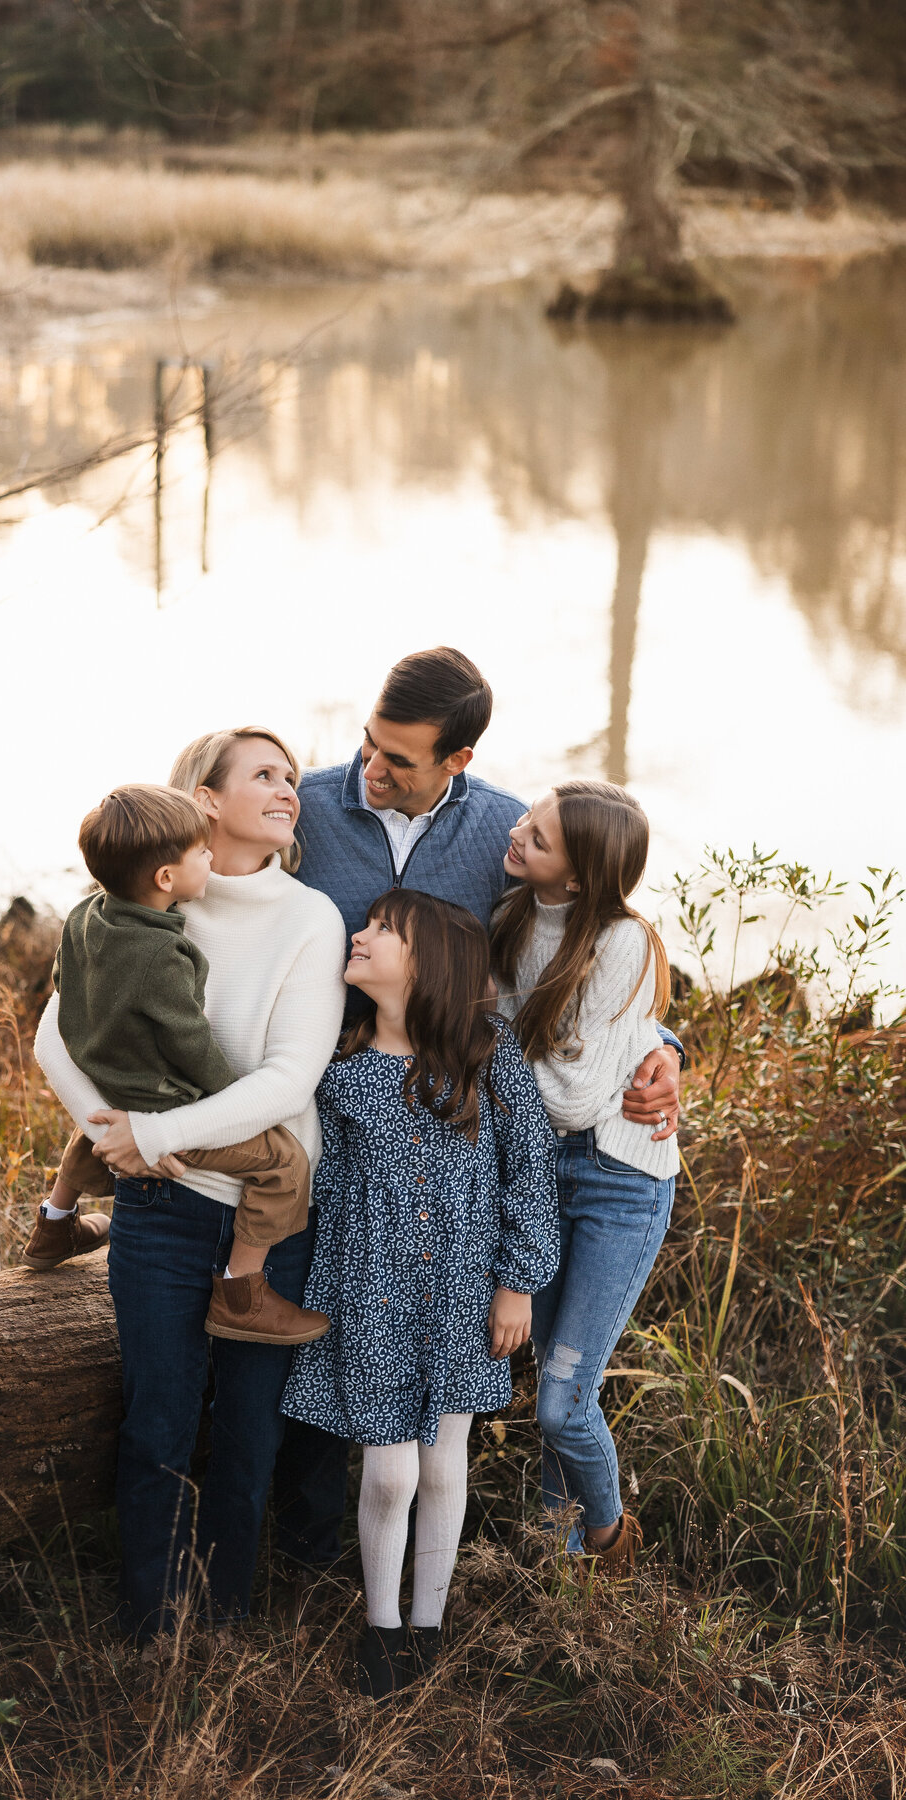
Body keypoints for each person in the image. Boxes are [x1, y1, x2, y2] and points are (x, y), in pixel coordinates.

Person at [276, 646, 683, 1569]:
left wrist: (665, 1049)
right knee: (320, 1328)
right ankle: (302, 1552)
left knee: (498, 1376)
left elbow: (597, 970)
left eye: (400, 760)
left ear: (457, 760)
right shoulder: (311, 808)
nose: (370, 771)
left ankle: (551, 1552)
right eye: (368, 745)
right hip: (333, 1118)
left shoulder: (510, 837)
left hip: (469, 1155)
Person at [33, 728, 346, 1642]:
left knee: (250, 1436)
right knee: (158, 1423)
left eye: (291, 776)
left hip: (267, 1211)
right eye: (263, 775)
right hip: (161, 1210)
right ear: (205, 800)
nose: (289, 790)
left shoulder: (310, 919)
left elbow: (289, 1080)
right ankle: (150, 1621)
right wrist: (117, 1138)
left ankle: (225, 1615)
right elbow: (55, 1037)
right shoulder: (140, 898)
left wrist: (158, 1131)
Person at [280, 889, 558, 1699]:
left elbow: (531, 1171)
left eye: (379, 930)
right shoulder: (337, 1071)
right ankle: (381, 1630)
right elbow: (317, 1182)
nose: (357, 935)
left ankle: (430, 1629)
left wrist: (518, 1285)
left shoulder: (485, 1054)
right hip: (369, 1294)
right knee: (391, 1474)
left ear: (427, 960)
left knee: (443, 1466)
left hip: (466, 1294)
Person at [24, 781, 329, 1348]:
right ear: (167, 879)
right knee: (285, 1163)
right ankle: (243, 1291)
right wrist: (230, 1101)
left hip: (115, 1087)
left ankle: (53, 1225)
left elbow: (62, 990)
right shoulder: (165, 952)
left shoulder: (83, 915)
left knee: (96, 1130)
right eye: (201, 853)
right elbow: (189, 1038)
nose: (210, 857)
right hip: (172, 1104)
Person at [491, 780, 678, 1570]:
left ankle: (607, 1537)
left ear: (577, 879)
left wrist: (494, 1053)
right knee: (549, 1387)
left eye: (539, 836)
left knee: (566, 1401)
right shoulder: (513, 919)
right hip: (543, 1176)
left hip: (617, 1182)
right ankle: (556, 1563)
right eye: (529, 819)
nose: (517, 832)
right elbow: (544, 1072)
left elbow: (569, 1102)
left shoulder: (624, 942)